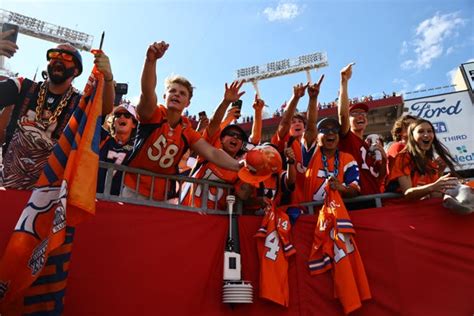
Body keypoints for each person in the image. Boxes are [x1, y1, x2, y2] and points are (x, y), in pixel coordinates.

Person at [123, 41, 241, 201]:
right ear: (165, 97)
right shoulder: (153, 114)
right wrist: (150, 61)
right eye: (172, 91)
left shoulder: (186, 130)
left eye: (182, 93)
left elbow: (212, 152)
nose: (176, 94)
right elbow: (147, 91)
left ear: (188, 103)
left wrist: (240, 166)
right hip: (134, 189)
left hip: (164, 195)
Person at [0, 39, 115, 189]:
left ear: (76, 71)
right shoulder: (22, 86)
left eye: (67, 57)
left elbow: (104, 109)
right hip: (7, 184)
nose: (59, 59)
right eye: (54, 55)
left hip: (46, 194)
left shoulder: (80, 103)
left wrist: (108, 77)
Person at [271, 75, 324, 205]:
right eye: (293, 122)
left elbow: (312, 124)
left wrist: (313, 98)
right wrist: (295, 98)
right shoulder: (285, 142)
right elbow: (284, 122)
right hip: (295, 204)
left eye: (300, 121)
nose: (297, 124)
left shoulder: (313, 143)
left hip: (319, 201)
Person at [337, 63, 387, 196]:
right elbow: (342, 115)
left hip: (375, 198)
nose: (360, 116)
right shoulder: (347, 138)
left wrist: (384, 158)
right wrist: (344, 81)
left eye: (363, 114)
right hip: (358, 201)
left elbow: (380, 176)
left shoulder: (368, 147)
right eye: (355, 114)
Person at [386, 118, 459, 200]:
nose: (426, 135)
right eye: (421, 131)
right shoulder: (403, 157)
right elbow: (407, 193)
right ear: (411, 136)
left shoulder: (430, 162)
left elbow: (435, 196)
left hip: (424, 209)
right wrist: (433, 187)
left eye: (429, 131)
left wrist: (440, 173)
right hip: (400, 209)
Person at [302, 117, 360, 202]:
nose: (330, 132)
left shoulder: (348, 159)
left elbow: (355, 191)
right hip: (312, 213)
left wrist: (342, 188)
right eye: (324, 130)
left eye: (335, 129)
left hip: (338, 212)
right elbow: (310, 125)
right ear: (317, 138)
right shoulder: (311, 155)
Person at [97, 102, 138, 196]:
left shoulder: (136, 148)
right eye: (118, 115)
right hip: (94, 198)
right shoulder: (103, 139)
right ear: (113, 121)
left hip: (119, 203)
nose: (122, 117)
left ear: (134, 124)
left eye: (127, 115)